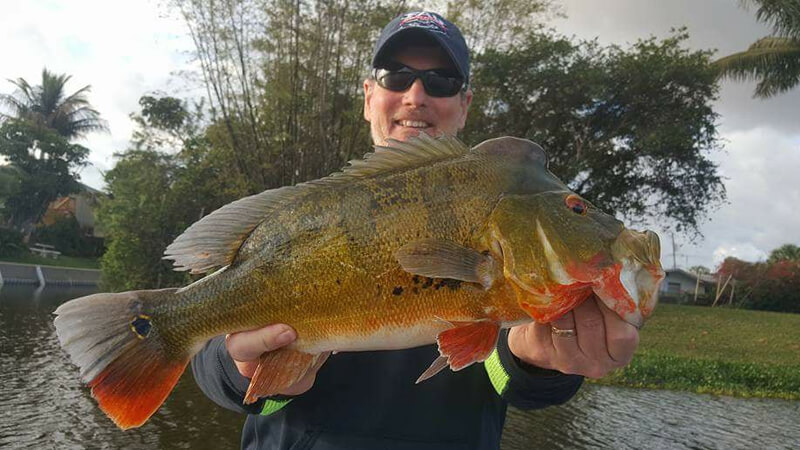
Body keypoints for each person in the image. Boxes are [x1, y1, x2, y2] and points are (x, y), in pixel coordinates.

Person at [192, 11, 639, 450]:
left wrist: (542, 362)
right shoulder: (303, 217)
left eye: (441, 81)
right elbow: (215, 363)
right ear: (369, 97)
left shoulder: (505, 219)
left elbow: (514, 380)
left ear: (464, 105)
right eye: (396, 76)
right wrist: (241, 368)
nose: (416, 94)